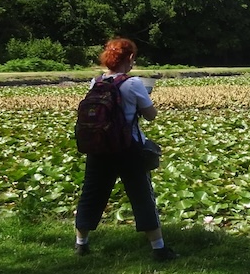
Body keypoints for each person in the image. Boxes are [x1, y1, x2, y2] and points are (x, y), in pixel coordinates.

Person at [74, 37, 177, 261]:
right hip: (128, 149)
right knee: (142, 196)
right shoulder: (133, 83)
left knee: (91, 194)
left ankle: (81, 244)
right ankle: (159, 249)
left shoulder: (96, 82)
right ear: (129, 58)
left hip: (99, 147)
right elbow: (151, 115)